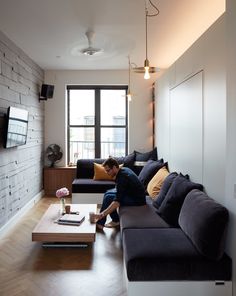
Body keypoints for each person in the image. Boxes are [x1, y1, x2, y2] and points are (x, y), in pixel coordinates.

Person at [95, 157, 146, 230]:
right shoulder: (123, 170)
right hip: (130, 193)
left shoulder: (122, 177)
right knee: (108, 193)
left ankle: (101, 223)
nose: (107, 173)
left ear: (114, 167)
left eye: (108, 171)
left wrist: (102, 214)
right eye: (106, 171)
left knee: (109, 198)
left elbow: (117, 202)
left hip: (137, 199)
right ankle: (115, 220)